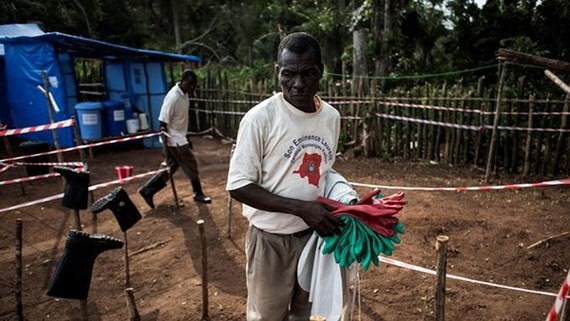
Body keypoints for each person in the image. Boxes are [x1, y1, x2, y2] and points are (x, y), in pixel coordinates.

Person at [226, 32, 345, 321]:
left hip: (315, 238)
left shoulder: (331, 118)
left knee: (309, 313)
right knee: (267, 316)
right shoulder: (260, 119)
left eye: (308, 73)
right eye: (288, 74)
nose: (298, 84)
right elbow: (238, 186)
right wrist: (301, 209)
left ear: (321, 71)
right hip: (270, 241)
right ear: (277, 71)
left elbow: (323, 173)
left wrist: (343, 199)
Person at [138, 70, 211, 208]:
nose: (192, 88)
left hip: (180, 136)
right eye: (189, 84)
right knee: (191, 165)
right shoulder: (173, 97)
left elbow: (182, 120)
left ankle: (148, 190)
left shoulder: (184, 94)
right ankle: (198, 193)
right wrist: (165, 144)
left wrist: (186, 136)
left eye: (194, 85)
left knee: (171, 167)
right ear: (182, 80)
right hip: (174, 140)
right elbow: (162, 121)